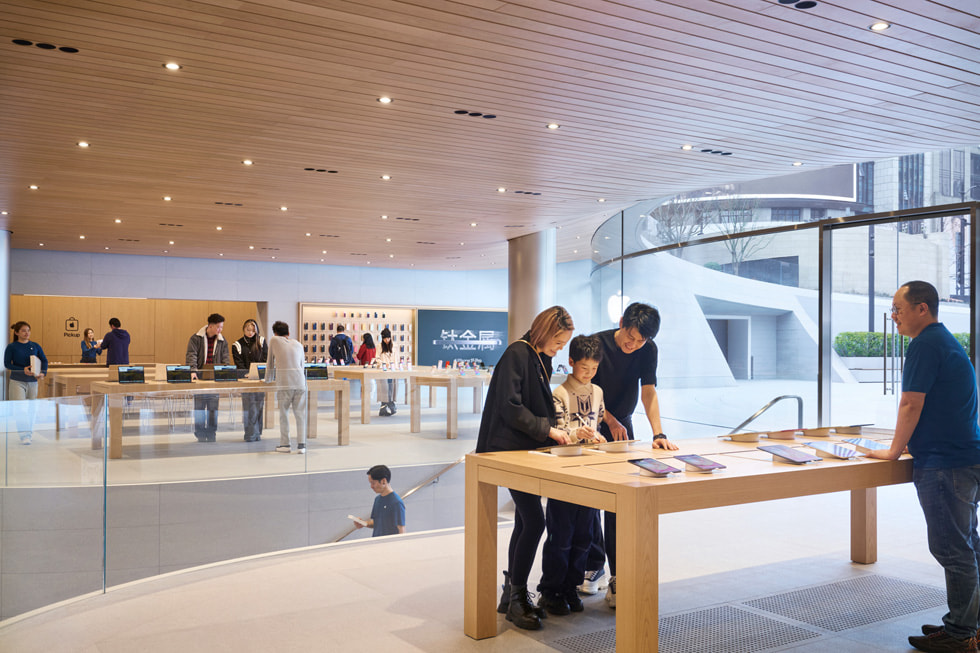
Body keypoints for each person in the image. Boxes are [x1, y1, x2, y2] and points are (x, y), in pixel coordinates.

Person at [868, 281, 980, 653]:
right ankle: (969, 622)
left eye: (898, 308)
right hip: (963, 457)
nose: (893, 316)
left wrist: (893, 451)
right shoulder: (945, 340)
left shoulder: (926, 344)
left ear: (922, 309)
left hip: (945, 463)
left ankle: (961, 634)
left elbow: (910, 404)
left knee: (953, 550)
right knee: (967, 546)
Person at [476, 305, 574, 631]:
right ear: (545, 332)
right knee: (534, 520)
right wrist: (548, 430)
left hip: (521, 450)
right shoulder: (518, 353)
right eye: (558, 341)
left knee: (525, 519)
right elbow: (509, 406)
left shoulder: (535, 356)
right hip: (507, 451)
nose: (560, 348)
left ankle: (512, 594)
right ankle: (516, 596)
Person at [589, 301, 678, 609]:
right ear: (621, 322)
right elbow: (586, 389)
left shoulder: (647, 350)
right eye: (632, 336)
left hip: (621, 428)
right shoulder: (596, 344)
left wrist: (659, 433)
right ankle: (592, 564)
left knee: (619, 503)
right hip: (590, 424)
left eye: (642, 340)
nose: (635, 344)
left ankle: (618, 578)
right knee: (588, 501)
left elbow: (648, 391)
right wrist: (607, 419)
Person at [537, 335, 606, 616]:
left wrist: (596, 437)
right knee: (561, 535)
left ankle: (571, 586)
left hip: (590, 470)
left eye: (593, 369)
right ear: (571, 363)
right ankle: (551, 590)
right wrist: (576, 434)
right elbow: (557, 433)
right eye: (584, 368)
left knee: (584, 535)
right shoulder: (559, 393)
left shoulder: (598, 391)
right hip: (564, 472)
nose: (588, 373)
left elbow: (597, 421)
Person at [185, 313, 230, 442]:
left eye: (221, 327)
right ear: (210, 326)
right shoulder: (196, 338)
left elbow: (226, 358)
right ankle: (200, 432)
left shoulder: (222, 340)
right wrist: (193, 371)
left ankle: (211, 433)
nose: (220, 330)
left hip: (214, 379)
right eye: (218, 327)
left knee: (213, 408)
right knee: (199, 407)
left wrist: (225, 372)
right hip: (199, 378)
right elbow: (191, 356)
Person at [265, 320, 307, 454]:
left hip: (285, 383)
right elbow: (302, 365)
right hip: (300, 382)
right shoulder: (298, 344)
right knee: (300, 415)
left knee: (284, 414)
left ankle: (285, 444)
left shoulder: (274, 340)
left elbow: (270, 363)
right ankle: (302, 445)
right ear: (288, 333)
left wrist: (267, 379)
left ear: (275, 333)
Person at [4, 321, 48, 444]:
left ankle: (29, 432)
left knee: (32, 409)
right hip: (17, 381)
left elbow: (44, 360)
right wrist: (21, 369)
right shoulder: (11, 347)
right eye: (23, 330)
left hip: (33, 381)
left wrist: (43, 373)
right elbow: (7, 364)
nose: (26, 333)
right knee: (20, 409)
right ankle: (24, 435)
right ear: (17, 332)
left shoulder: (35, 346)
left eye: (28, 330)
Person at [232, 319, 268, 442]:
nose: (251, 332)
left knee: (259, 405)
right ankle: (250, 433)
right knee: (249, 406)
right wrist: (246, 373)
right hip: (246, 380)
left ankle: (257, 432)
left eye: (253, 330)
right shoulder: (237, 344)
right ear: (243, 329)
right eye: (248, 330)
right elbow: (239, 363)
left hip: (260, 379)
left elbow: (266, 358)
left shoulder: (262, 341)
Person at [352, 464, 406, 537]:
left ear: (383, 481)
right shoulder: (377, 500)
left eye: (373, 483)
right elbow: (377, 523)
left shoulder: (396, 503)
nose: (371, 486)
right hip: (376, 544)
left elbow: (401, 531)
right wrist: (364, 523)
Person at [376, 328, 397, 416]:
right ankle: (385, 407)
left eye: (388, 338)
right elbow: (377, 358)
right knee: (384, 389)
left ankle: (389, 406)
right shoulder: (379, 346)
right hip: (383, 370)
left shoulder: (394, 345)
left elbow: (396, 358)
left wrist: (394, 366)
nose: (386, 340)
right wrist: (384, 364)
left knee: (391, 389)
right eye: (385, 339)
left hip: (392, 371)